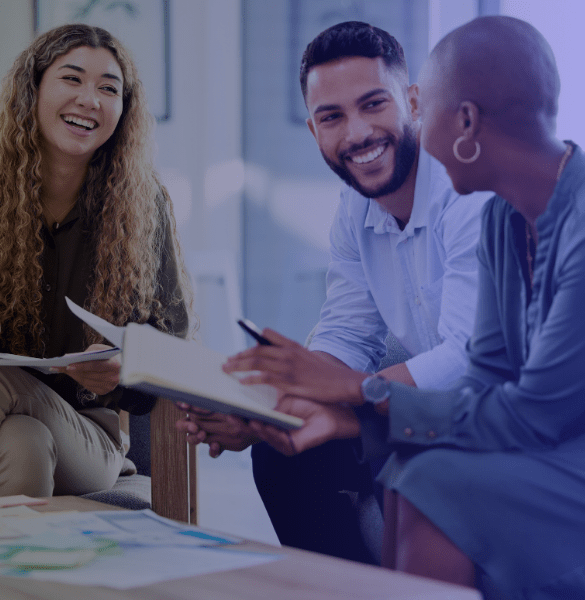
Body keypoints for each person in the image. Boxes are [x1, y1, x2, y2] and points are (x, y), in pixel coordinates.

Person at [225, 15, 585, 599]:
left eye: (423, 106)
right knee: (413, 472)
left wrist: (359, 403)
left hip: (559, 439)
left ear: (457, 118)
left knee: (431, 480)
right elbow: (485, 371)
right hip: (509, 420)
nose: (364, 132)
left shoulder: (544, 215)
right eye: (331, 116)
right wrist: (296, 402)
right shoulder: (501, 218)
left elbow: (525, 408)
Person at [179, 21, 491, 563]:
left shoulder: (467, 194)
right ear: (313, 129)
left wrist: (346, 392)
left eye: (374, 104)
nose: (357, 134)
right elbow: (347, 332)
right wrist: (262, 408)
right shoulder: (355, 209)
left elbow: (466, 360)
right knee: (285, 454)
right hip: (422, 402)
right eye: (332, 117)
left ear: (413, 100)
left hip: (486, 410)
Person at [0, 24, 193, 499]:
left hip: (91, 437)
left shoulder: (143, 206)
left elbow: (175, 346)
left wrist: (127, 368)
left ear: (124, 110)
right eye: (72, 79)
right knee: (25, 444)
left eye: (108, 89)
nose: (90, 99)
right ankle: (19, 577)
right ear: (33, 89)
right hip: (11, 427)